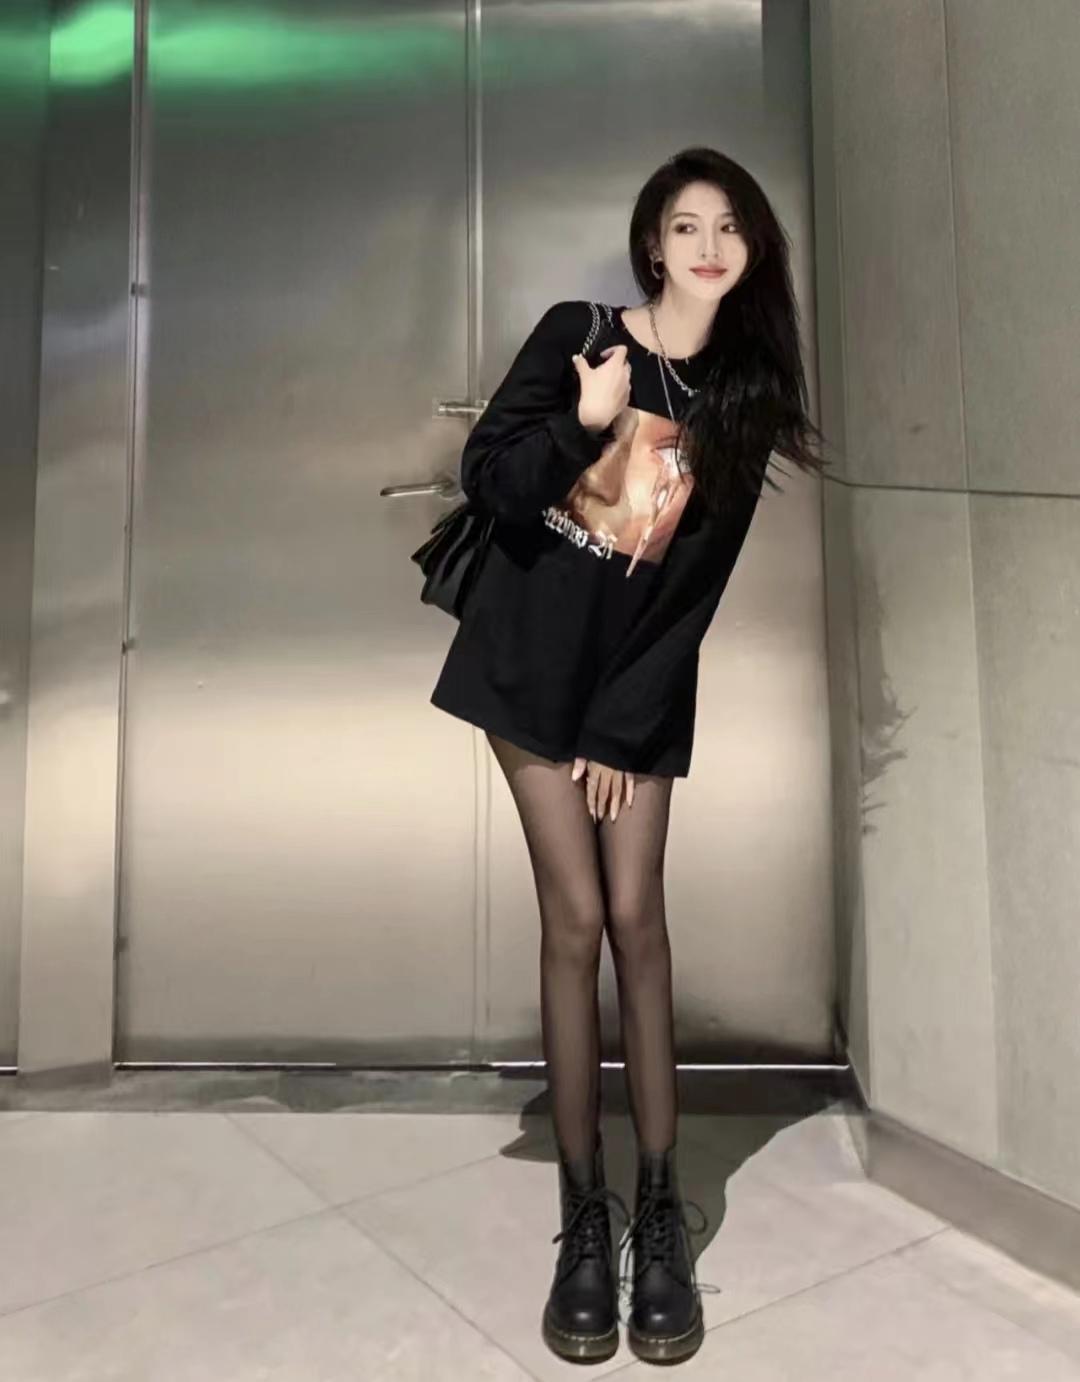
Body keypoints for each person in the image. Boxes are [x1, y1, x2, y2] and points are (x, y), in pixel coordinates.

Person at [430, 146, 827, 1365]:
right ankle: (583, 1217)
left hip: (636, 688)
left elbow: (695, 586)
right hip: (527, 671)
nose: (709, 245)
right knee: (573, 921)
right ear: (653, 241)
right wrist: (583, 422)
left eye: (730, 227)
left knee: (638, 919)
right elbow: (490, 478)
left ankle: (661, 1209)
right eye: (686, 224)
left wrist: (620, 724)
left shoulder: (743, 391)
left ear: (751, 251)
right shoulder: (581, 335)